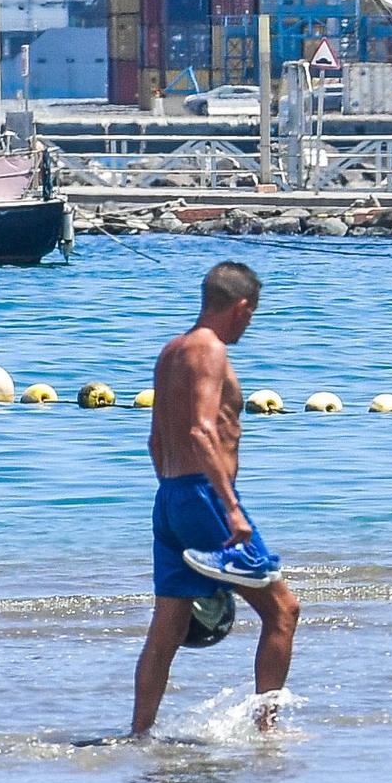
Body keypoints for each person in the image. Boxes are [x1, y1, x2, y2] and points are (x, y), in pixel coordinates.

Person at [133, 261, 300, 735]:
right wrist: (228, 508)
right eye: (253, 314)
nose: (250, 323)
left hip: (170, 497)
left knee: (167, 628)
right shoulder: (210, 349)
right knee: (283, 610)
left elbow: (156, 441)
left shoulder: (171, 351)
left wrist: (178, 501)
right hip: (206, 498)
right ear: (242, 307)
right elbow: (202, 430)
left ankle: (139, 733)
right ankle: (268, 729)